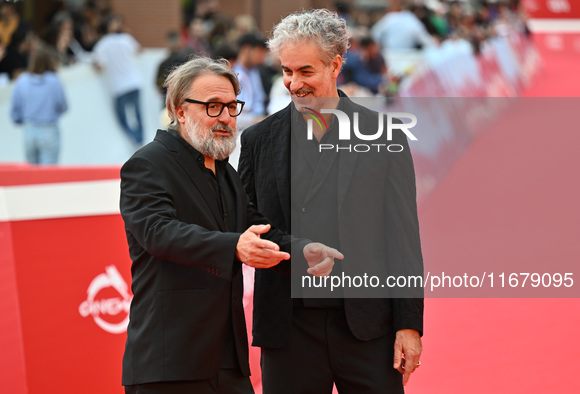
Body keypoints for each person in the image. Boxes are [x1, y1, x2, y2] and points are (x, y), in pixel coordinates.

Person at [120, 56, 343, 393]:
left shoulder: (224, 171)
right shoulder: (147, 164)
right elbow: (158, 233)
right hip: (169, 362)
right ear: (179, 110)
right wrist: (232, 246)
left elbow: (257, 226)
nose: (225, 118)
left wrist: (302, 251)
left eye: (231, 107)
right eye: (212, 107)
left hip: (229, 361)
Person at [239, 8, 424, 393]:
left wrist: (409, 324)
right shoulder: (258, 141)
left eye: (305, 71)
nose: (293, 83)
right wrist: (296, 248)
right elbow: (247, 220)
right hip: (288, 329)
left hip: (367, 326)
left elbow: (403, 236)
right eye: (287, 72)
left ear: (336, 64)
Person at [9, 43, 68, 165]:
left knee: (33, 176)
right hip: (48, 130)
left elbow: (14, 111)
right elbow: (63, 106)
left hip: (29, 131)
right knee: (48, 176)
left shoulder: (22, 81)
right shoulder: (54, 80)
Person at [93, 14, 143, 144]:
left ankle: (135, 139)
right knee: (137, 114)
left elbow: (100, 66)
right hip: (134, 82)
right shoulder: (126, 39)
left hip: (119, 87)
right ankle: (140, 139)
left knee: (122, 118)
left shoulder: (101, 45)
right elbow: (139, 50)